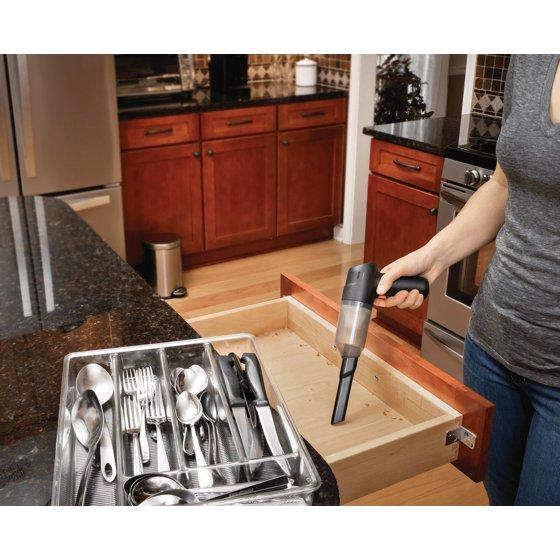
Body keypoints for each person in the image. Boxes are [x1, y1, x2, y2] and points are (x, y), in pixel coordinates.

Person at [374, 54, 560, 506]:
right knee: (501, 498)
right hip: (493, 346)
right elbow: (502, 186)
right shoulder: (533, 58)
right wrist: (431, 256)